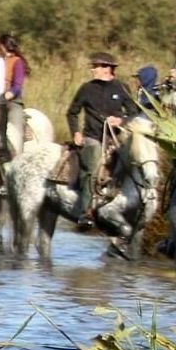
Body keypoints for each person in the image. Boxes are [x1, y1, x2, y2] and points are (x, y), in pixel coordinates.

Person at [65, 50, 139, 228]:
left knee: (136, 161)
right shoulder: (86, 88)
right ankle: (86, 212)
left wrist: (121, 120)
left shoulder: (121, 88)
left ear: (107, 68)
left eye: (96, 67)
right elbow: (72, 112)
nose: (93, 70)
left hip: (117, 137)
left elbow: (134, 113)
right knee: (92, 164)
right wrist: (76, 132)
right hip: (93, 136)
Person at [0, 33, 29, 157]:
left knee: (15, 131)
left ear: (4, 46)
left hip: (12, 101)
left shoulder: (17, 61)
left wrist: (7, 95)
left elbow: (17, 85)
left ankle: (18, 155)